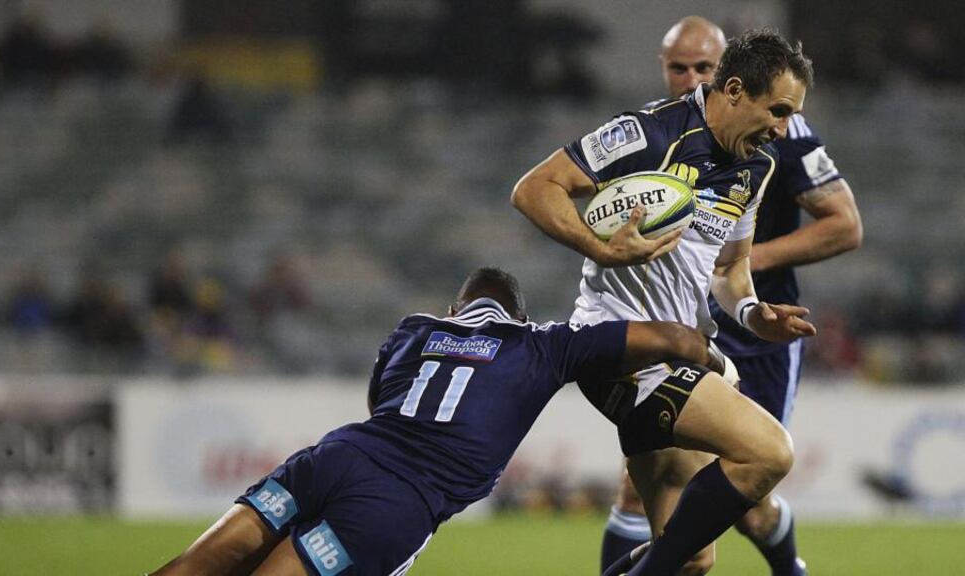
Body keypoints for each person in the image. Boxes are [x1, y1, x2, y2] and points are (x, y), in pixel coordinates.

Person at [151, 267, 792, 576]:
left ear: (458, 306)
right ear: (517, 311)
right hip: (392, 504)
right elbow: (671, 339)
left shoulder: (415, 329)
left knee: (194, 566)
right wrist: (715, 359)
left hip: (333, 457)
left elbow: (383, 402)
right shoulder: (542, 345)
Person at [513, 28, 817, 575]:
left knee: (693, 559)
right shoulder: (646, 133)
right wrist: (598, 248)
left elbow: (728, 268)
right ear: (732, 91)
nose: (782, 127)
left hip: (679, 352)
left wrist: (753, 315)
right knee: (771, 452)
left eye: (790, 114)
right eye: (776, 109)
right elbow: (535, 188)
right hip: (619, 351)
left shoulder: (756, 168)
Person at [597, 17, 863, 576]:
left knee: (750, 497)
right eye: (679, 67)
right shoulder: (658, 133)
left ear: (731, 76)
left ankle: (789, 568)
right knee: (649, 498)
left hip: (753, 337)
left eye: (703, 66)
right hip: (678, 332)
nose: (690, 76)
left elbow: (845, 225)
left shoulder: (782, 135)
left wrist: (748, 269)